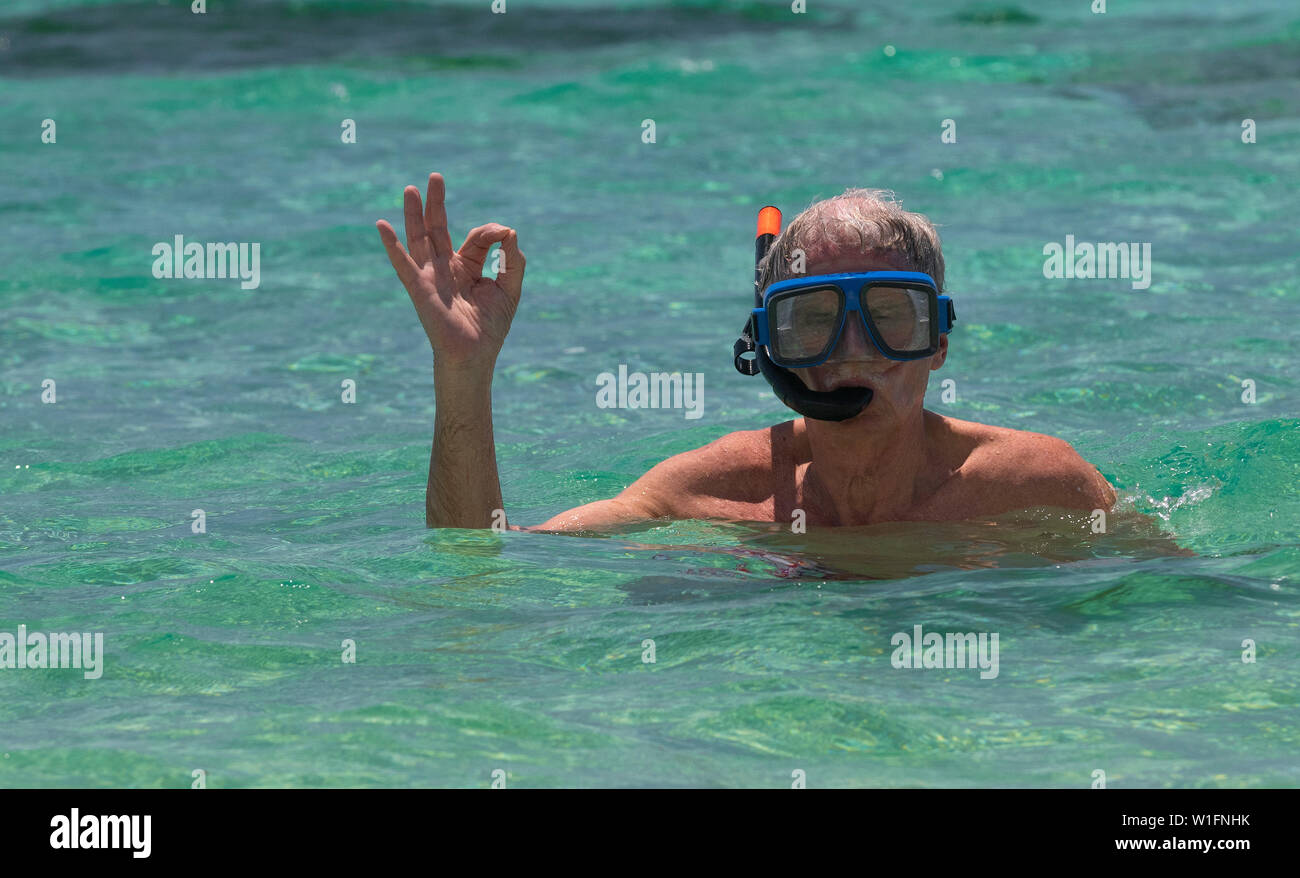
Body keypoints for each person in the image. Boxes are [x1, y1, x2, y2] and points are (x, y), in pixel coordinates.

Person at [376, 172, 1117, 532]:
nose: (853, 351)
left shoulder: (1038, 486)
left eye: (893, 318)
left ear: (940, 340)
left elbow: (1186, 605)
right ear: (769, 350)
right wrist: (464, 374)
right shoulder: (709, 499)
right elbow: (486, 566)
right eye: (812, 322)